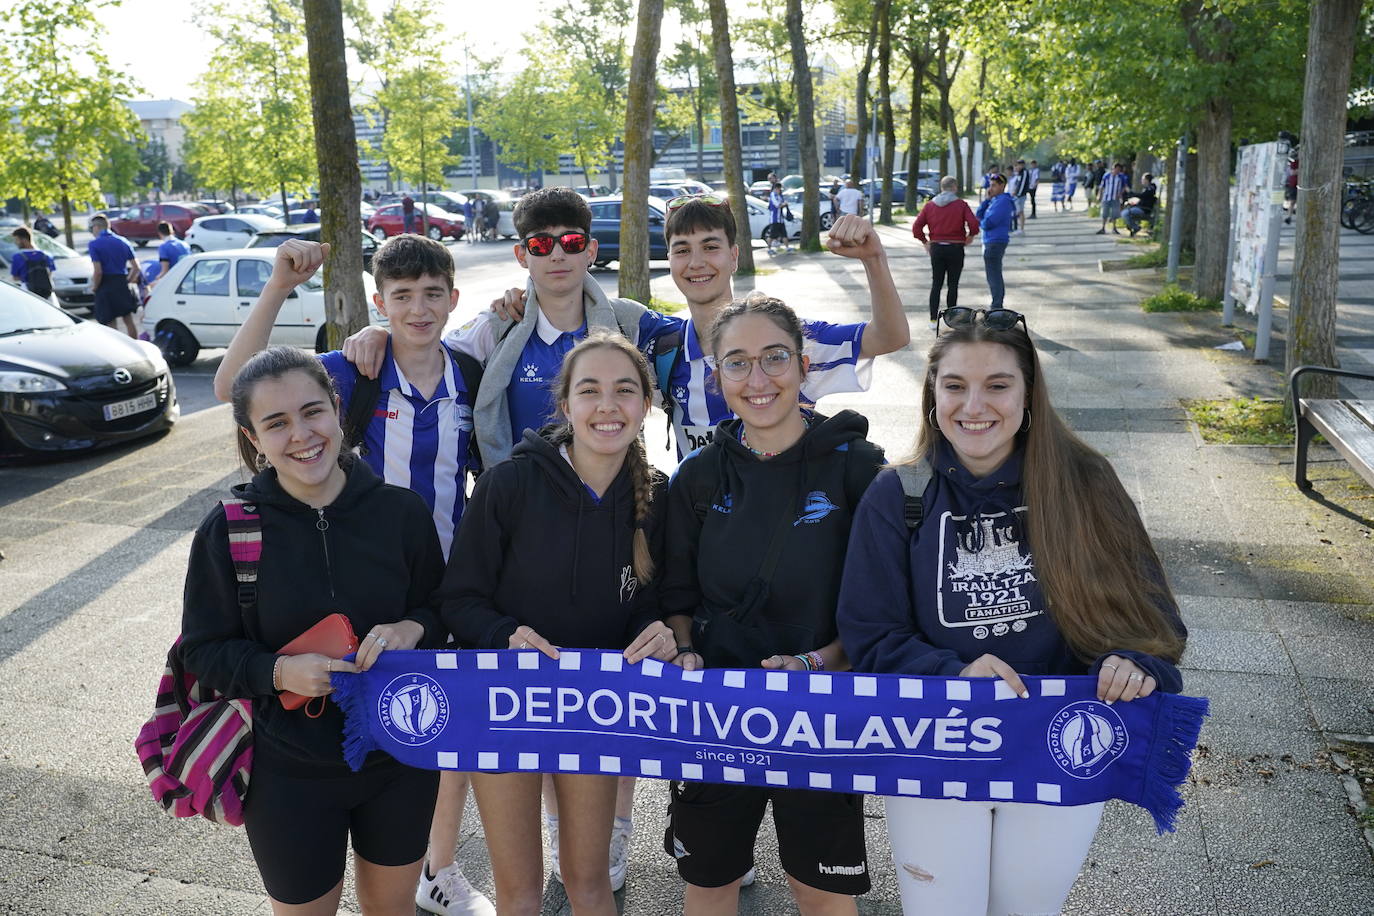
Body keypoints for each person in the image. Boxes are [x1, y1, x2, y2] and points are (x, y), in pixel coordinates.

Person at [836, 306, 1187, 915]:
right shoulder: (899, 492)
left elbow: (1149, 611)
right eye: (955, 386)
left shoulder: (1084, 480)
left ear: (1029, 396)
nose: (974, 406)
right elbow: (871, 632)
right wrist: (952, 674)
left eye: (997, 385)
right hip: (937, 742)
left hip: (1054, 741)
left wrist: (1133, 661)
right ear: (931, 396)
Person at [212, 236, 493, 916]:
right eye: (401, 297)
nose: (419, 309)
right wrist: (279, 286)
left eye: (433, 294)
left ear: (455, 300)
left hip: (433, 595)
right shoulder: (352, 374)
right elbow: (239, 387)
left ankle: (438, 866)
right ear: (380, 303)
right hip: (345, 583)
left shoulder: (474, 374)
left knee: (431, 736)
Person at [180, 345, 448, 914]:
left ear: (337, 410)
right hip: (286, 772)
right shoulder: (230, 531)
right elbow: (202, 651)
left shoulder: (400, 513)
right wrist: (278, 670)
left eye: (313, 411)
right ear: (253, 440)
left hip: (400, 759)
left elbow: (442, 609)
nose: (302, 434)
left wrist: (412, 627)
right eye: (276, 423)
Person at [661, 293, 884, 915]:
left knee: (824, 894)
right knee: (709, 888)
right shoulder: (698, 477)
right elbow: (676, 595)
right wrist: (683, 652)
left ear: (805, 364)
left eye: (774, 358)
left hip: (821, 713)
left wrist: (821, 661)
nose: (757, 380)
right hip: (717, 717)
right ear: (716, 375)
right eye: (737, 363)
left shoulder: (861, 469)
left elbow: (880, 606)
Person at [441, 330, 677, 916]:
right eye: (589, 390)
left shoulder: (656, 495)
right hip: (505, 706)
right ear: (565, 403)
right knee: (519, 894)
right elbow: (459, 600)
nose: (607, 406)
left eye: (624, 391)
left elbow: (651, 599)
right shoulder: (509, 484)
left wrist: (661, 631)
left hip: (591, 711)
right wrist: (503, 634)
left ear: (645, 406)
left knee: (589, 883)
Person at [658, 196, 908, 459]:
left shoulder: (787, 339)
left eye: (710, 247)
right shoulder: (662, 348)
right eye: (682, 250)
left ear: (734, 256)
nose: (696, 262)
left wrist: (874, 259)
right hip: (693, 499)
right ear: (670, 260)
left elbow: (891, 337)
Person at [913, 177, 980, 331]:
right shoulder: (961, 205)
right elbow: (974, 224)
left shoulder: (930, 206)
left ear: (942, 187)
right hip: (956, 248)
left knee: (936, 284)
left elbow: (916, 227)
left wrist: (925, 241)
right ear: (954, 187)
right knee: (953, 284)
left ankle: (932, 319)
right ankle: (952, 318)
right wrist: (970, 236)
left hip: (936, 247)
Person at [87, 214, 141, 338]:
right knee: (128, 320)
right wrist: (128, 281)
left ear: (96, 227)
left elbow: (98, 271)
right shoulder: (123, 241)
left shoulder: (94, 244)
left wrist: (95, 287)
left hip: (106, 284)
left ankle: (117, 351)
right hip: (121, 282)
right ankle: (135, 346)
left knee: (110, 321)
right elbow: (136, 267)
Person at [974, 174, 1015, 311]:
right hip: (990, 241)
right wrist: (986, 200)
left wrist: (982, 222)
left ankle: (997, 305)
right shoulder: (995, 200)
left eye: (994, 185)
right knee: (992, 274)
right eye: (990, 185)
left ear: (1002, 186)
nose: (990, 188)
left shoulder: (1003, 201)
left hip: (995, 242)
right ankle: (996, 303)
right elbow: (978, 214)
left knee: (994, 275)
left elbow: (988, 223)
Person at [8, 227, 56, 300]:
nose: (15, 243)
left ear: (24, 240)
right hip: (47, 293)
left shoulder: (18, 257)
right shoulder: (47, 255)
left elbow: (15, 277)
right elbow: (50, 273)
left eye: (16, 240)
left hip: (28, 292)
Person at [1097, 162, 1130, 235]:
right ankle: (1103, 227)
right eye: (1116, 169)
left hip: (1116, 197)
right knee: (1105, 213)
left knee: (1115, 213)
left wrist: (1120, 193)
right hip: (1107, 196)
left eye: (1119, 170)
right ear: (1113, 168)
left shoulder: (1121, 177)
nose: (1117, 171)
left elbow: (1124, 186)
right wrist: (1099, 195)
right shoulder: (1107, 176)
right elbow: (1102, 186)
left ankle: (1114, 228)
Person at [1123, 172, 1158, 237]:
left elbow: (1142, 196)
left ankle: (1135, 227)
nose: (1141, 181)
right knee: (1126, 213)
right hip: (1141, 207)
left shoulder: (1150, 189)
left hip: (1144, 210)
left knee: (1125, 213)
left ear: (1147, 180)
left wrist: (1130, 192)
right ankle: (1133, 227)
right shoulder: (1147, 188)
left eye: (1143, 179)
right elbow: (1142, 198)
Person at [1006, 161, 1029, 234]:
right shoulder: (1019, 174)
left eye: (1017, 166)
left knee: (1020, 212)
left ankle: (1021, 229)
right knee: (1018, 212)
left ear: (1022, 165)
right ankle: (1019, 228)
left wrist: (1017, 194)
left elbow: (1022, 185)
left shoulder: (1024, 172)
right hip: (1017, 195)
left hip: (1020, 196)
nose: (1016, 168)